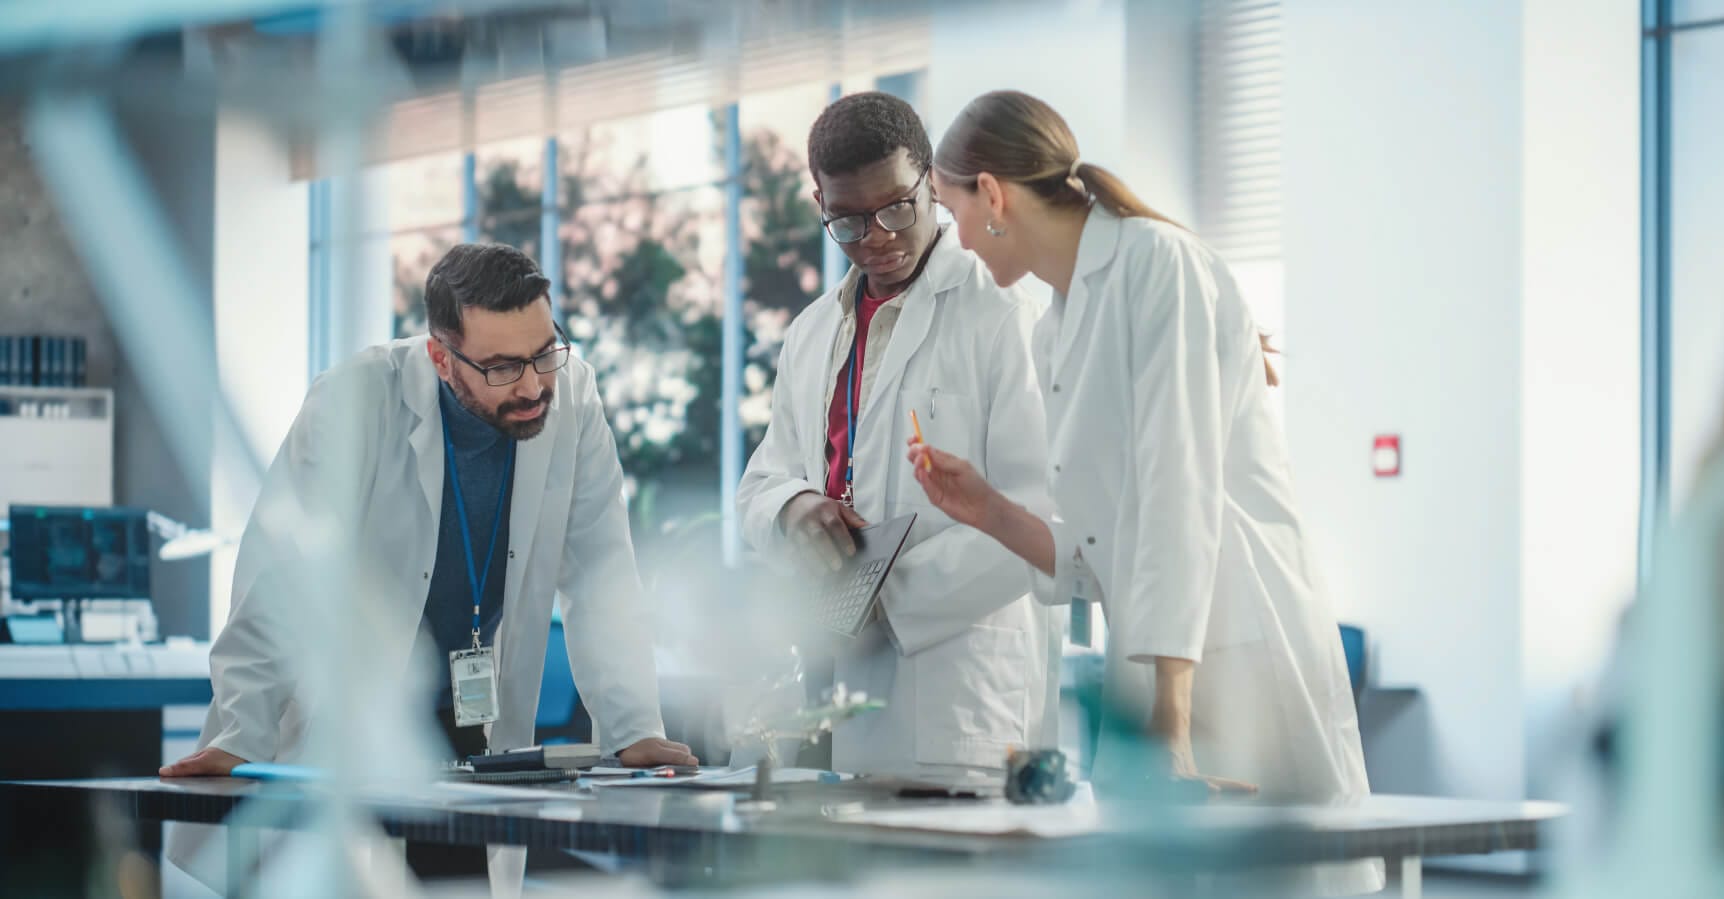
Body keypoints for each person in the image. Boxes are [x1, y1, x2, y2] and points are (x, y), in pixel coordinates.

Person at [907, 90, 1380, 893]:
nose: (954, 238)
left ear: (991, 195)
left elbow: (1177, 492)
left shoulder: (1158, 263)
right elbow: (1100, 556)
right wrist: (986, 508)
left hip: (1234, 647)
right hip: (1159, 667)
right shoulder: (1054, 326)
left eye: (949, 211)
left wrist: (1173, 729)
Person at [161, 244, 694, 878]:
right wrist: (241, 737)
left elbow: (602, 572)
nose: (531, 385)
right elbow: (277, 582)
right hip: (358, 720)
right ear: (441, 357)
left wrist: (634, 727)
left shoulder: (571, 396)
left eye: (544, 352)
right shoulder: (355, 400)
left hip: (476, 729)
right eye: (501, 367)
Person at [736, 91, 1059, 785]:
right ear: (818, 199)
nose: (876, 236)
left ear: (933, 186)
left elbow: (1040, 518)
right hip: (821, 681)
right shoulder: (812, 331)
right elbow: (761, 482)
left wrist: (881, 595)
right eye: (846, 221)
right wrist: (794, 508)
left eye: (896, 208)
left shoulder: (1002, 315)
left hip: (950, 690)